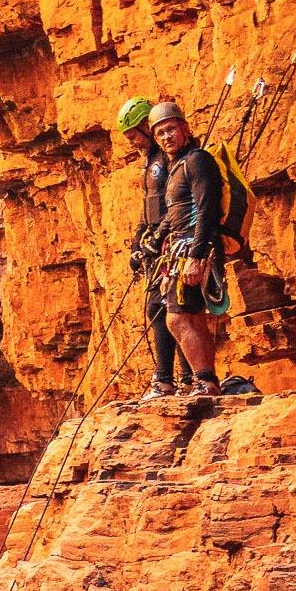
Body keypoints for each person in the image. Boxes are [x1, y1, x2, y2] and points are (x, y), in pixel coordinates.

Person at [148, 100, 237, 401]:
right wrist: (158, 235)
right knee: (192, 316)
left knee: (177, 318)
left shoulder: (197, 161)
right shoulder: (177, 166)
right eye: (159, 133)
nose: (166, 137)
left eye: (171, 129)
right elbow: (176, 212)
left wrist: (197, 256)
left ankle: (204, 381)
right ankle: (207, 381)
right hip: (180, 247)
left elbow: (207, 208)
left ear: (185, 128)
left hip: (193, 248)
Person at [118, 96, 178, 399]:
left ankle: (167, 379)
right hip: (155, 243)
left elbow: (175, 203)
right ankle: (171, 378)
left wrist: (158, 238)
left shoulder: (166, 159)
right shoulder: (151, 163)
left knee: (166, 308)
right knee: (162, 308)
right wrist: (136, 244)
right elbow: (149, 209)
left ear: (145, 126)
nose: (131, 143)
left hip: (169, 242)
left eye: (133, 136)